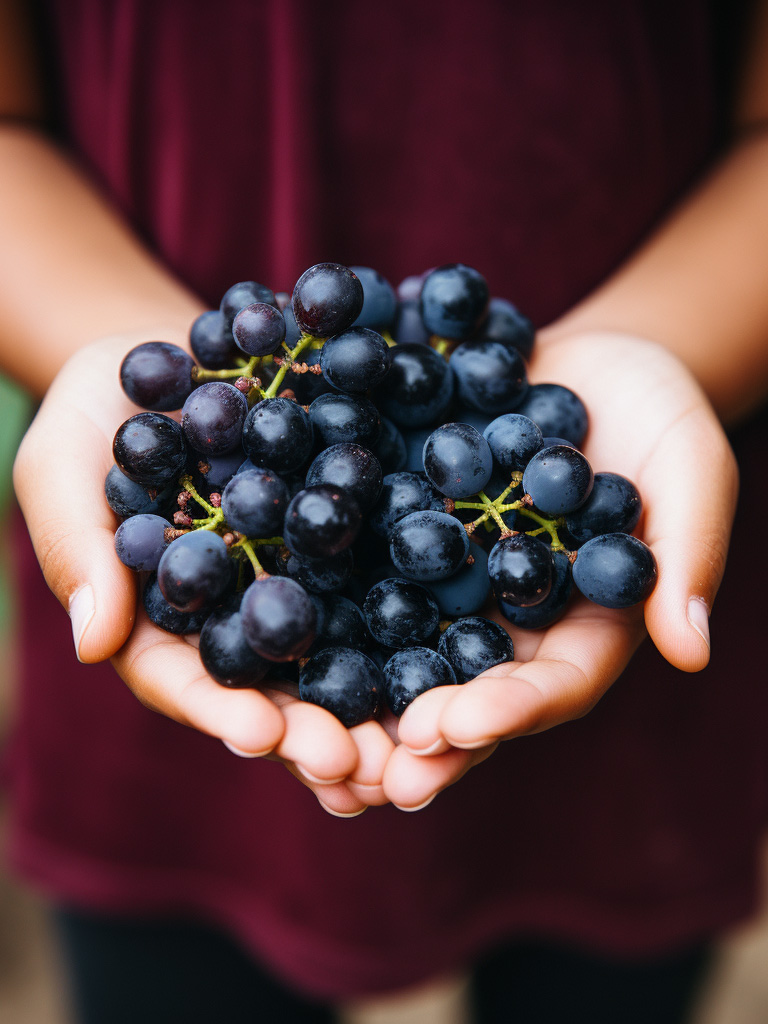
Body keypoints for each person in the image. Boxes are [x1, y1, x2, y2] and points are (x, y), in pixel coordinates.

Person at [2, 0, 767, 1020]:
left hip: (636, 756)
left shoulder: (483, 475)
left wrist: (676, 342)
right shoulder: (238, 467)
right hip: (160, 773)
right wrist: (93, 337)